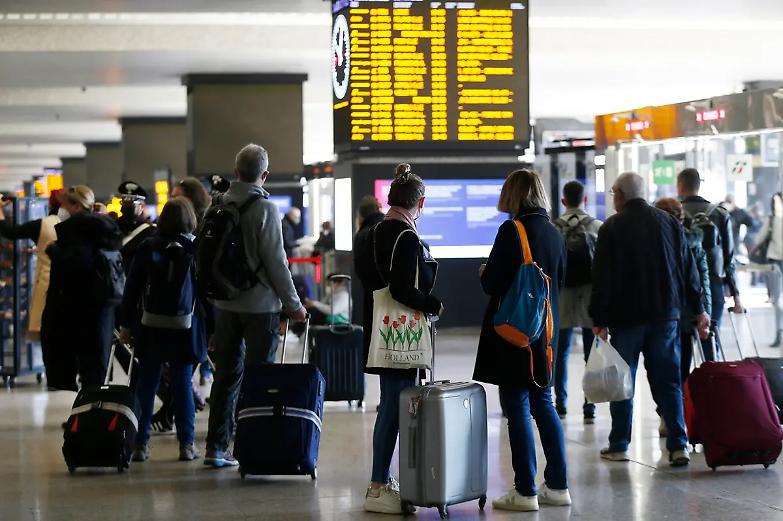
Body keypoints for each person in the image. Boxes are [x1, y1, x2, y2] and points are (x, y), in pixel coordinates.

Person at [590, 173, 709, 467]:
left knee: (623, 380)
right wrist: (699, 310)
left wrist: (599, 318)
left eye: (613, 192)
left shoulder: (611, 227)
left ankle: (619, 444)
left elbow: (602, 277)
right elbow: (688, 270)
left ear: (621, 195)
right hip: (666, 315)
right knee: (668, 381)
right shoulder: (669, 223)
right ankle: (678, 445)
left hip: (626, 318)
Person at [473, 169, 570, 512]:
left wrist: (485, 273)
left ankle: (525, 490)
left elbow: (494, 283)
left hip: (514, 334)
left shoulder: (512, 230)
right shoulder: (555, 233)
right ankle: (558, 486)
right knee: (544, 403)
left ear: (512, 195)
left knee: (517, 408)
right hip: (545, 334)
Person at [203, 143, 306, 468]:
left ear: (235, 172)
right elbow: (276, 262)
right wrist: (294, 304)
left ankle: (215, 448)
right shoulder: (265, 209)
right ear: (265, 175)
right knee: (260, 377)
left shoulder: (217, 204)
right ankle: (252, 446)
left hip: (225, 303)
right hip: (260, 306)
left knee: (225, 376)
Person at [360, 164, 442, 515]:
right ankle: (378, 486)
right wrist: (433, 304)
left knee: (389, 406)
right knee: (394, 408)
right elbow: (401, 289)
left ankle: (382, 480)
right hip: (401, 336)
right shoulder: (406, 236)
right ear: (419, 203)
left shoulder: (373, 232)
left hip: (379, 330)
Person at [119, 197, 207, 462]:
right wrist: (212, 329)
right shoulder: (195, 247)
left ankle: (140, 444)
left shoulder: (148, 246)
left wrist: (126, 324)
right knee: (182, 384)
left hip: (151, 326)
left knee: (146, 384)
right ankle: (186, 445)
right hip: (186, 326)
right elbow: (205, 292)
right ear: (190, 219)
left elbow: (132, 288)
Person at [40, 185, 123, 390]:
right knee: (94, 365)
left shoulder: (77, 231)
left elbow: (76, 266)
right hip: (102, 308)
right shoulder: (106, 230)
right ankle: (90, 405)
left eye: (64, 205)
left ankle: (82, 406)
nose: (61, 210)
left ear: (76, 206)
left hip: (77, 309)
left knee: (72, 360)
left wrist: (55, 252)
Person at [654, 197, 712, 437]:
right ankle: (676, 416)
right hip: (687, 315)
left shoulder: (655, 243)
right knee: (680, 369)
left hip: (663, 315)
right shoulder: (693, 242)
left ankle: (667, 415)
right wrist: (704, 312)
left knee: (662, 369)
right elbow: (702, 279)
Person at [678, 168, 744, 360]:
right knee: (710, 340)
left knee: (682, 346)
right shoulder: (720, 214)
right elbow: (729, 257)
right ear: (698, 186)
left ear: (680, 186)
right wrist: (735, 294)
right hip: (714, 285)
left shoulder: (673, 213)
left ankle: (686, 379)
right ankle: (712, 376)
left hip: (682, 286)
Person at [552, 180, 602, 423]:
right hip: (590, 296)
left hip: (563, 296)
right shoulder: (597, 227)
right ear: (585, 200)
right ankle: (589, 405)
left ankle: (560, 403)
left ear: (563, 201)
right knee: (591, 354)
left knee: (560, 353)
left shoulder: (553, 228)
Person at [0, 190, 61, 341]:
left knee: (47, 330)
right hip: (71, 286)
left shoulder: (43, 224)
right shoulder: (77, 225)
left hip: (47, 282)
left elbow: (10, 232)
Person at [754, 193, 783, 346]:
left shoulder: (771, 220)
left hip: (775, 262)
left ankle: (779, 333)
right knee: (777, 300)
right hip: (775, 262)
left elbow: (759, 239)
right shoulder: (771, 220)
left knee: (777, 300)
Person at [117, 181, 156, 269]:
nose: (126, 206)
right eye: (124, 202)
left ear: (141, 207)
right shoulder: (114, 226)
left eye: (131, 203)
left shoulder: (150, 230)